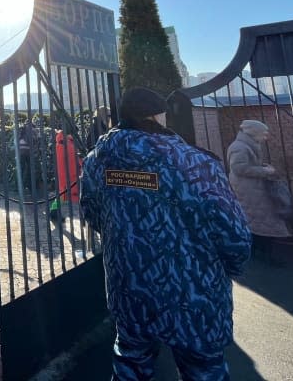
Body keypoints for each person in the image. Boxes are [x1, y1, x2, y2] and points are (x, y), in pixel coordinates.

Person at [80, 87, 251, 380]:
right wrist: (232, 268)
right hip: (194, 291)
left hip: (129, 285)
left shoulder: (98, 160)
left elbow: (93, 212)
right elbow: (233, 233)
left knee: (130, 363)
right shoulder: (196, 162)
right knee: (203, 367)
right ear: (159, 115)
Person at [227, 120, 292, 262]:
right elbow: (239, 168)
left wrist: (261, 167)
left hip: (251, 187)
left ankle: (259, 252)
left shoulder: (246, 145)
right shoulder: (240, 147)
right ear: (253, 133)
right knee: (261, 218)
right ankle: (265, 254)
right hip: (248, 188)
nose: (266, 137)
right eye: (263, 133)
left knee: (257, 219)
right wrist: (264, 171)